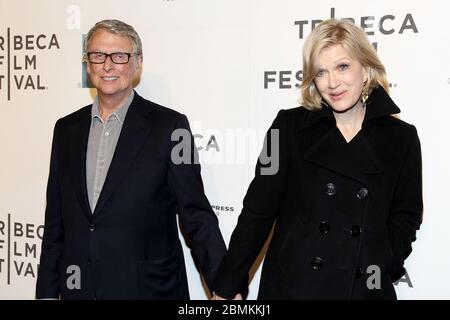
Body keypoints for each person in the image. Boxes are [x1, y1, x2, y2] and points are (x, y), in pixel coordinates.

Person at [213, 19, 422, 300]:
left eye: (343, 67)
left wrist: (382, 260)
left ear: (366, 69)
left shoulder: (401, 137)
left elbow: (406, 215)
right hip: (295, 288)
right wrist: (228, 286)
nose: (332, 83)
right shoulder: (288, 127)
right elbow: (257, 212)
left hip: (364, 290)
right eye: (321, 72)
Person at [36, 19, 227, 300]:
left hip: (147, 290)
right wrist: (47, 294)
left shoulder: (171, 126)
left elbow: (195, 214)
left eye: (120, 56)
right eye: (98, 55)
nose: (108, 65)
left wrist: (224, 284)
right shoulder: (66, 129)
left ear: (137, 64)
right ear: (88, 65)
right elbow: (55, 225)